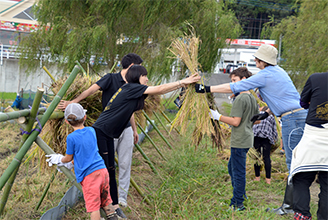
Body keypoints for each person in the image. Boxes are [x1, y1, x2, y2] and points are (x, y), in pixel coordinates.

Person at [195, 44, 307, 215]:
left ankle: (291, 207)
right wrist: (267, 112)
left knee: (294, 163)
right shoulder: (279, 72)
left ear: (264, 61)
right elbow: (282, 96)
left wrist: (207, 89)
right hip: (295, 116)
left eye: (257, 58)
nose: (255, 60)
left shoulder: (265, 74)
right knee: (296, 161)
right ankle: (290, 206)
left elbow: (236, 87)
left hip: (292, 118)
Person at [58, 53, 142, 218]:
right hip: (108, 131)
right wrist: (74, 102)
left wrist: (134, 129)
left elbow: (128, 109)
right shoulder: (110, 79)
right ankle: (112, 204)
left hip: (125, 129)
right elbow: (91, 90)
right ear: (132, 66)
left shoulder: (131, 85)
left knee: (125, 164)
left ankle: (121, 200)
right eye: (139, 69)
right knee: (108, 167)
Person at [45, 103, 118, 220]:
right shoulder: (92, 130)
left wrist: (59, 159)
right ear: (84, 117)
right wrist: (73, 162)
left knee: (93, 207)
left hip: (90, 177)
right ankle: (112, 216)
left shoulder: (71, 138)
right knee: (106, 199)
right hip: (102, 170)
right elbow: (86, 153)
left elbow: (68, 158)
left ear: (67, 121)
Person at [207, 67, 259, 211]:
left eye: (235, 81)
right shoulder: (251, 98)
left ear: (244, 80)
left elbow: (235, 122)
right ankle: (241, 195)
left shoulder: (240, 98)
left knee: (238, 172)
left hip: (239, 140)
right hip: (248, 138)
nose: (233, 85)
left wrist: (217, 116)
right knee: (232, 168)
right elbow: (257, 120)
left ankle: (237, 203)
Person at [288, 72, 328, 220]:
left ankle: (302, 215)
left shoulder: (316, 78)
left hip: (313, 135)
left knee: (301, 178)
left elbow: (303, 103)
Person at [252, 106, 278, 185]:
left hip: (256, 137)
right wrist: (275, 140)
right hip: (266, 138)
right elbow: (274, 131)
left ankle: (257, 178)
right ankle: (268, 180)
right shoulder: (271, 117)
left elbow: (252, 126)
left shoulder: (257, 115)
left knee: (257, 157)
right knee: (266, 158)